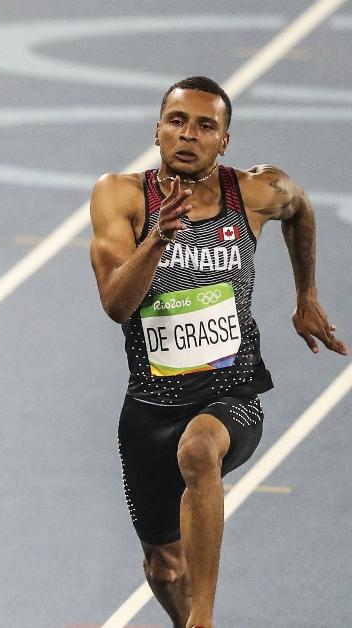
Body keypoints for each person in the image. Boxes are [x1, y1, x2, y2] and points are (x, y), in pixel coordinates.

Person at [88, 76, 347, 628]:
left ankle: (204, 618)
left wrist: (306, 296)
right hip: (150, 407)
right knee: (162, 567)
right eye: (178, 121)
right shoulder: (121, 196)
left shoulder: (253, 192)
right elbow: (116, 305)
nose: (189, 134)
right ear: (157, 130)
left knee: (200, 450)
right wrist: (157, 238)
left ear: (224, 141)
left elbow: (300, 208)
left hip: (231, 394)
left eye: (206, 126)